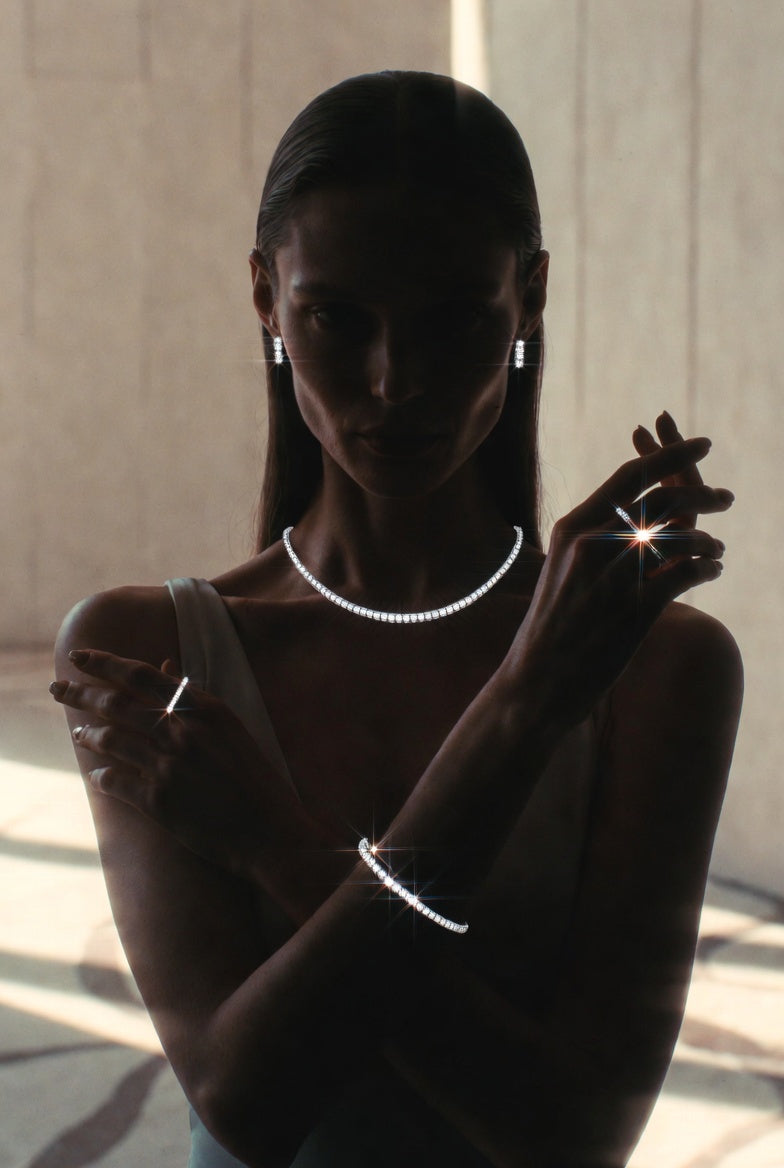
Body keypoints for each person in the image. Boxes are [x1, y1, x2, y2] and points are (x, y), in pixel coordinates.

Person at [51, 71, 742, 1168]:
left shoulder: (656, 665)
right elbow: (246, 1102)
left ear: (530, 297)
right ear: (264, 299)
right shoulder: (150, 651)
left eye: (453, 320)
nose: (394, 381)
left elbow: (575, 1136)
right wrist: (521, 708)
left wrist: (278, 843)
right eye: (336, 317)